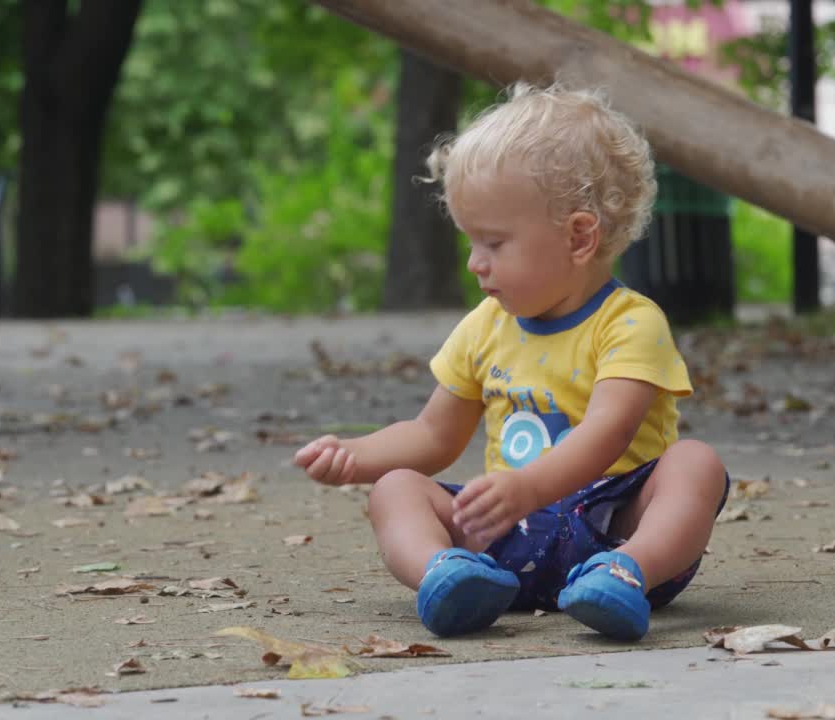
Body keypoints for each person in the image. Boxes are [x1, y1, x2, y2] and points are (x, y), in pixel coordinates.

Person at [294, 83, 729, 641]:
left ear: (577, 237)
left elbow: (608, 434)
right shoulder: (484, 326)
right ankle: (447, 575)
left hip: (610, 526)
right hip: (506, 536)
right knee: (396, 488)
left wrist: (528, 487)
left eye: (494, 244)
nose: (476, 264)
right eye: (471, 243)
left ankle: (626, 574)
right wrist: (356, 456)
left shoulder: (630, 323)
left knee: (695, 463)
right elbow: (433, 435)